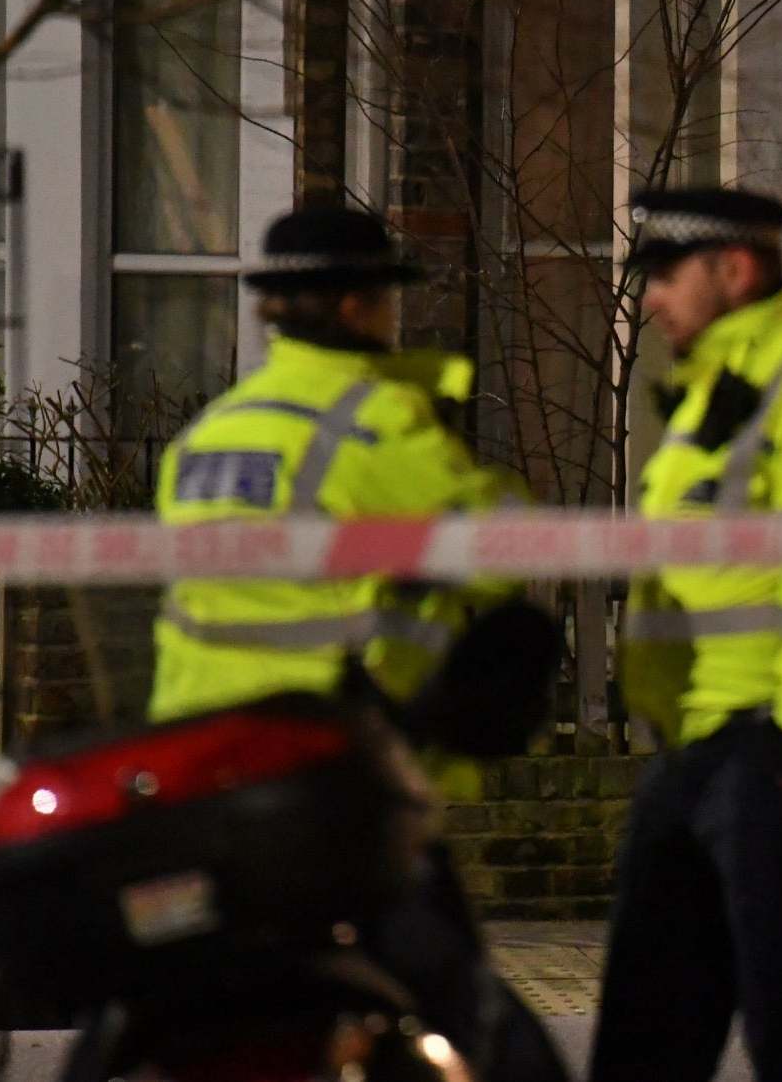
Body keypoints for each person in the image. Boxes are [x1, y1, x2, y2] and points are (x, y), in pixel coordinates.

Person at [152, 203, 564, 1082]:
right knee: (483, 1026)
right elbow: (503, 548)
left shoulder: (206, 434)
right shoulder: (374, 425)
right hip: (328, 785)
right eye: (383, 299)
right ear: (354, 308)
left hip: (197, 785)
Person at [589, 187, 782, 1082]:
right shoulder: (714, 393)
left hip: (771, 749)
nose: (649, 297)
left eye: (664, 273)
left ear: (732, 269)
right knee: (646, 1028)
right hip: (706, 744)